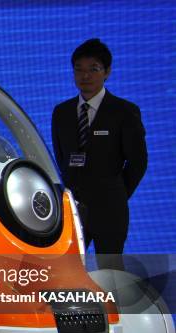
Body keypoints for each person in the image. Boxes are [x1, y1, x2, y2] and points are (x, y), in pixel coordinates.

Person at [52, 38, 147, 264]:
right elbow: (61, 158)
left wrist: (117, 193)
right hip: (73, 209)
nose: (85, 76)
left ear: (107, 72)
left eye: (93, 69)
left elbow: (138, 163)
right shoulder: (61, 112)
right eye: (79, 70)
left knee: (111, 273)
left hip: (110, 209)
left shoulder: (124, 111)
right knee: (67, 270)